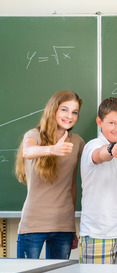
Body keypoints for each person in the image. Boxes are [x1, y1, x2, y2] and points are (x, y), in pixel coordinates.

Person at [15, 90, 84, 259]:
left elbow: (72, 186)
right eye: (64, 109)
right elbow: (28, 151)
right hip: (33, 224)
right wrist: (53, 149)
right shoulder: (34, 135)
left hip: (63, 226)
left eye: (74, 112)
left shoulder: (77, 142)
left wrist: (72, 226)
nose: (70, 116)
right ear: (53, 110)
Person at [79, 97, 117, 264]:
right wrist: (112, 149)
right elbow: (100, 155)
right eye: (111, 123)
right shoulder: (92, 145)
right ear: (99, 122)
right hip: (97, 235)